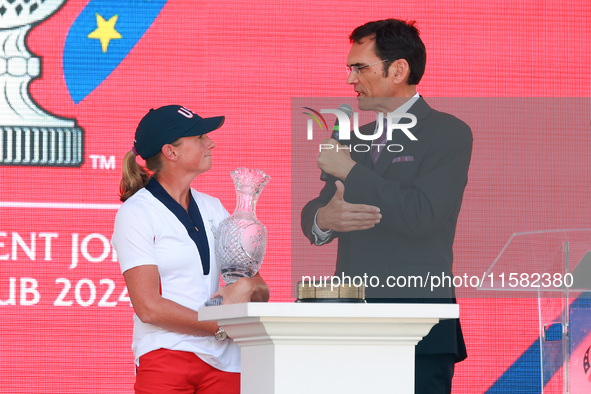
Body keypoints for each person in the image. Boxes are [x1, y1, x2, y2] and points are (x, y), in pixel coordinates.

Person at [301, 19, 471, 393]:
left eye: (360, 67)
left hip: (418, 328)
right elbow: (318, 207)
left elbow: (422, 214)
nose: (350, 80)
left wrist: (350, 170)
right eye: (349, 69)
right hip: (350, 326)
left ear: (398, 70)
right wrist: (323, 220)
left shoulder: (448, 133)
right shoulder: (352, 137)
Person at [111, 105, 269, 394]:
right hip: (166, 354)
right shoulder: (137, 213)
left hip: (226, 361)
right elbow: (148, 307)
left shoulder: (213, 207)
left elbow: (259, 289)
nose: (211, 142)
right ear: (171, 152)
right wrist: (221, 326)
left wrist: (246, 286)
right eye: (199, 137)